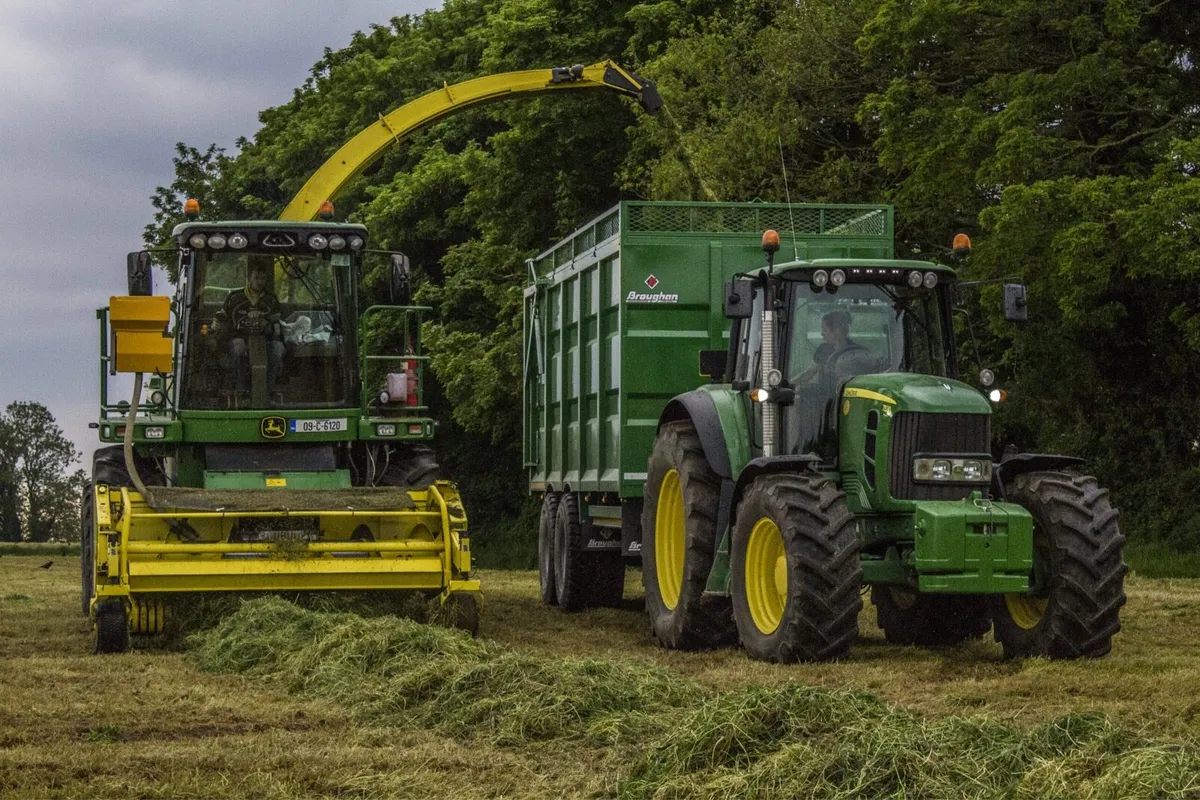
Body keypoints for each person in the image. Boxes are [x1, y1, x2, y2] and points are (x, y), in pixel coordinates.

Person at [212, 256, 284, 399]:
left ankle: (267, 391)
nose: (260, 282)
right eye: (257, 278)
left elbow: (277, 322)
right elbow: (221, 316)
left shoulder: (271, 299)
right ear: (249, 278)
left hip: (265, 340)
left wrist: (266, 322)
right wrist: (216, 322)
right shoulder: (234, 298)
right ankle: (242, 390)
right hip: (240, 338)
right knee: (238, 347)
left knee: (278, 348)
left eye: (263, 279)